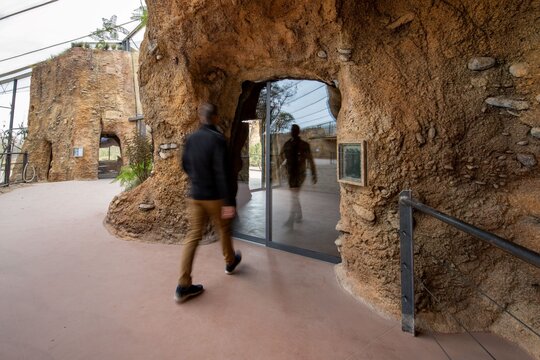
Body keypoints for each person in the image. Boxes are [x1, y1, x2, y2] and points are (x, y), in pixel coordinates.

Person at [175, 102, 242, 303]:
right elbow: (223, 173)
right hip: (214, 197)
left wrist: (197, 179)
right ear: (215, 118)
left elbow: (184, 164)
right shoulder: (218, 139)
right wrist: (229, 201)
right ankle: (230, 263)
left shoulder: (191, 139)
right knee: (223, 229)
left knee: (193, 237)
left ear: (200, 118)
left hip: (194, 196)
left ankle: (183, 285)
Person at [279, 124, 317, 227]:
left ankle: (291, 219)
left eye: (295, 130)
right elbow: (281, 154)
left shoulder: (304, 145)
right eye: (292, 130)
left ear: (298, 131)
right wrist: (285, 163)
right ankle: (299, 215)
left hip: (300, 174)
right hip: (291, 173)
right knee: (294, 196)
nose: (293, 132)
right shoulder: (287, 144)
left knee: (294, 196)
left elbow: (310, 160)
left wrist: (314, 174)